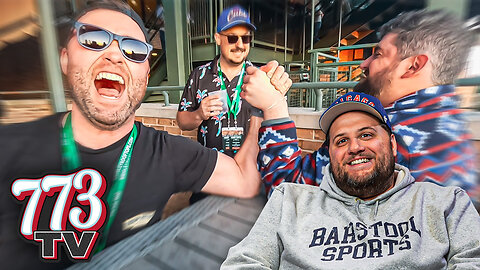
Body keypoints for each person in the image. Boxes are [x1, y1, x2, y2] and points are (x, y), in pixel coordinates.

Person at [0, 1, 286, 269]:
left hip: (227, 178)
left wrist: (269, 106)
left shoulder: (171, 152)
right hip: (206, 186)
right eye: (93, 40)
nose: (113, 55)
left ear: (146, 74)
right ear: (65, 58)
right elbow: (183, 119)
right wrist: (199, 114)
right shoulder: (8, 147)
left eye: (133, 50)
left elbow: (245, 180)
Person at [251, 9, 480, 212]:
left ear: (413, 66)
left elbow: (288, 195)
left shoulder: (388, 136)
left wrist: (274, 107)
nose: (364, 64)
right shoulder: (451, 124)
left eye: (378, 54)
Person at [221, 91, 480, 269]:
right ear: (330, 154)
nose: (354, 147)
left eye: (366, 135)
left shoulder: (445, 202)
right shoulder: (289, 199)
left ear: (392, 143)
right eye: (341, 140)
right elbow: (244, 262)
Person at [176, 5, 290, 203]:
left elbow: (276, 120)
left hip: (252, 174)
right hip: (210, 175)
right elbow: (182, 121)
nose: (240, 44)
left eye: (245, 38)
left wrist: (277, 94)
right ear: (218, 38)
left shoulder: (260, 77)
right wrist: (198, 114)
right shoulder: (199, 75)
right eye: (232, 37)